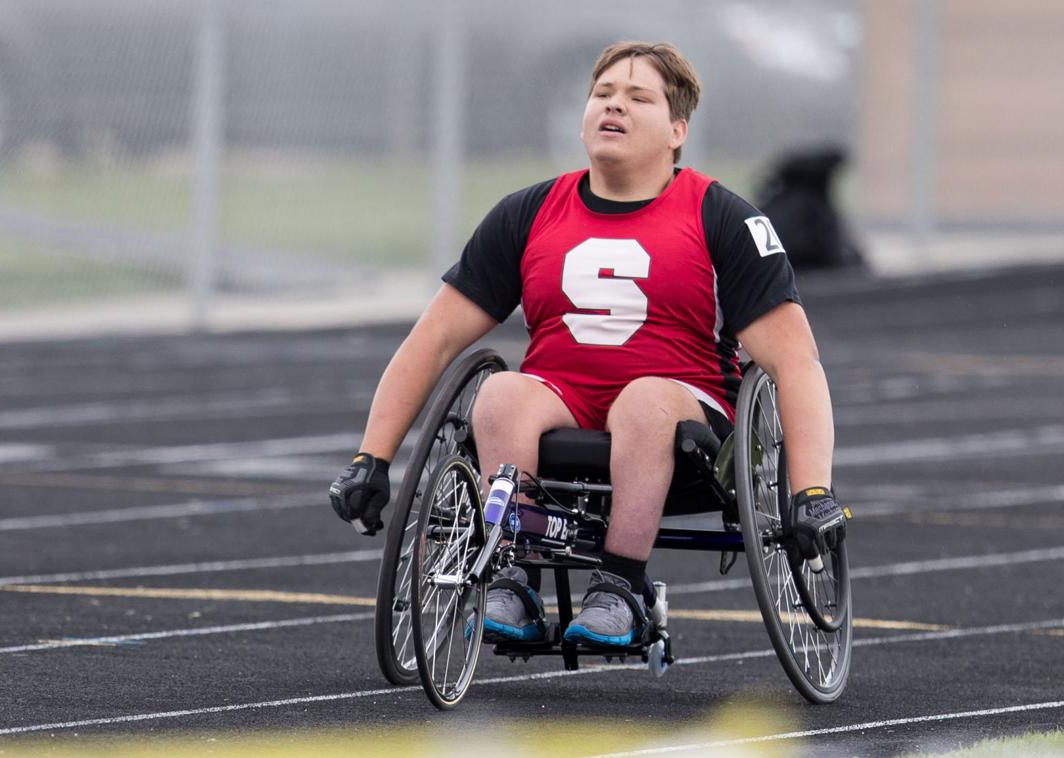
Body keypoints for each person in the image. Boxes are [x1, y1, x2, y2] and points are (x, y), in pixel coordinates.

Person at [330, 41, 847, 648]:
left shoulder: (723, 219)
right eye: (602, 94)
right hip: (562, 408)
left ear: (677, 129)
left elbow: (794, 363)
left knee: (644, 401)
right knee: (498, 395)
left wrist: (811, 490)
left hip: (686, 421)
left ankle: (622, 584)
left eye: (637, 98)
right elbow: (436, 338)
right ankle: (512, 577)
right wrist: (372, 457)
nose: (614, 107)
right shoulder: (528, 213)